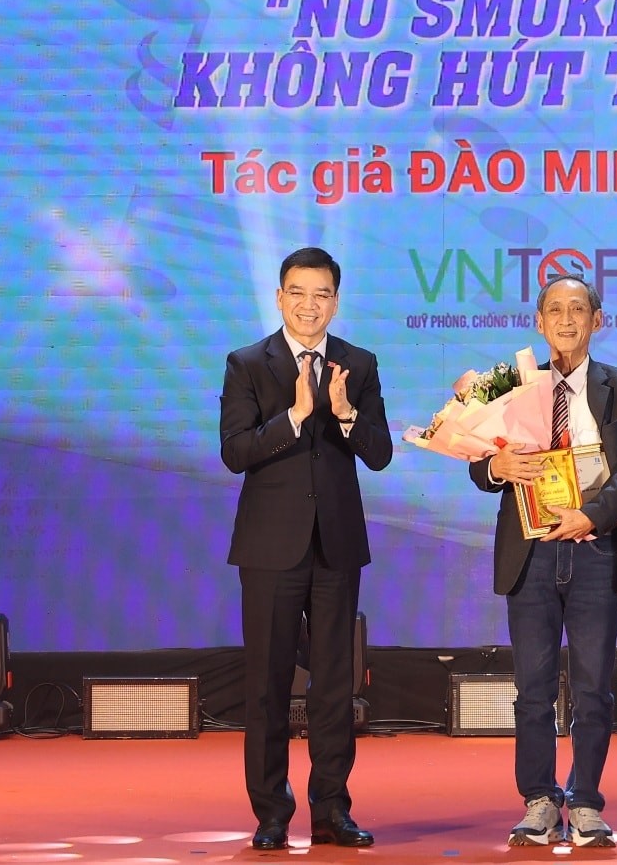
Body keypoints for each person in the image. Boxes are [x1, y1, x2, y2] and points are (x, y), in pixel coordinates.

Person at [468, 274, 617, 849]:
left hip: (595, 549)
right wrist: (496, 468)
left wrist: (591, 515)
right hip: (531, 554)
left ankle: (587, 802)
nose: (567, 320)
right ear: (540, 322)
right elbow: (478, 462)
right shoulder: (513, 388)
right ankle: (540, 801)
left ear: (597, 321)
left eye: (578, 309)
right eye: (556, 310)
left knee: (594, 686)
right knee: (533, 688)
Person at [220, 246, 392, 850]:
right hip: (270, 546)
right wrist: (294, 415)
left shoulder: (358, 364)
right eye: (297, 293)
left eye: (321, 295)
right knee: (268, 685)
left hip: (336, 546)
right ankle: (271, 812)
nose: (309, 305)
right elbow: (234, 452)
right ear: (279, 297)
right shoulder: (248, 363)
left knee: (334, 685)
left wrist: (345, 415)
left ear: (336, 302)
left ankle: (331, 810)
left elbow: (380, 453)